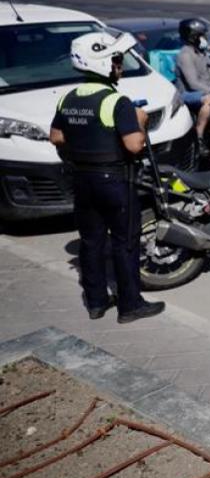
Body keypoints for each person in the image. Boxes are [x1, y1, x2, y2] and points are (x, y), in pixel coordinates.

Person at [49, 32, 165, 324]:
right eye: (116, 60)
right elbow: (133, 145)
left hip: (82, 180)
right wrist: (140, 122)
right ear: (100, 63)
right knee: (125, 242)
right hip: (114, 180)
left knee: (91, 242)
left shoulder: (68, 97)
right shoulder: (116, 101)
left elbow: (56, 136)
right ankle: (130, 306)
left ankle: (97, 302)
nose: (119, 66)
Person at [174, 18, 210, 150]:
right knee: (209, 100)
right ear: (193, 37)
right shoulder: (185, 55)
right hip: (187, 94)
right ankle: (199, 136)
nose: (205, 38)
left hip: (205, 90)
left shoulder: (202, 53)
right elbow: (193, 83)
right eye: (202, 35)